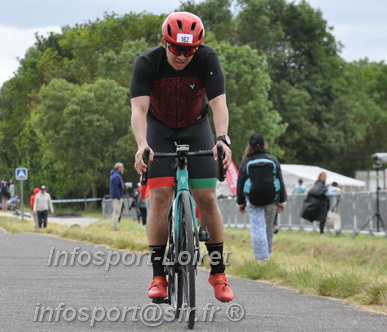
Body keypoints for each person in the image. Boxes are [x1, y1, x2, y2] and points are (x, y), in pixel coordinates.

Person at [130, 12, 233, 302]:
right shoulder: (148, 62)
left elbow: (218, 103)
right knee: (160, 196)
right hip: (159, 130)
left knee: (207, 198)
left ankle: (218, 272)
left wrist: (222, 138)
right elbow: (138, 111)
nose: (183, 56)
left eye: (189, 51)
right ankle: (159, 276)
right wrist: (141, 145)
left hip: (196, 127)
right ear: (165, 42)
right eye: (176, 49)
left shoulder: (207, 59)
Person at [236, 133, 287, 261]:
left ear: (250, 146)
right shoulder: (273, 160)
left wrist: (240, 202)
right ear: (264, 145)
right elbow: (280, 180)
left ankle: (261, 257)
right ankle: (267, 255)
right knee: (269, 228)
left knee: (257, 227)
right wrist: (282, 200)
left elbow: (240, 182)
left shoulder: (246, 161)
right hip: (272, 199)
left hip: (253, 199)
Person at [301, 172, 329, 237]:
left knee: (323, 219)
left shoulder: (323, 185)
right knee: (322, 218)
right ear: (320, 177)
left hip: (322, 204)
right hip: (319, 205)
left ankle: (322, 232)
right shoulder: (319, 184)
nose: (324, 177)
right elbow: (316, 192)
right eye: (323, 176)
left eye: (325, 176)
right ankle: (322, 233)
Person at [109, 162, 124, 231]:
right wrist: (119, 196)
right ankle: (114, 226)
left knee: (116, 211)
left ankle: (114, 226)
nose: (123, 168)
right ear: (119, 168)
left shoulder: (114, 175)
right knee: (116, 212)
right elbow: (115, 188)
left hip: (116, 196)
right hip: (117, 197)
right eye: (122, 167)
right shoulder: (117, 176)